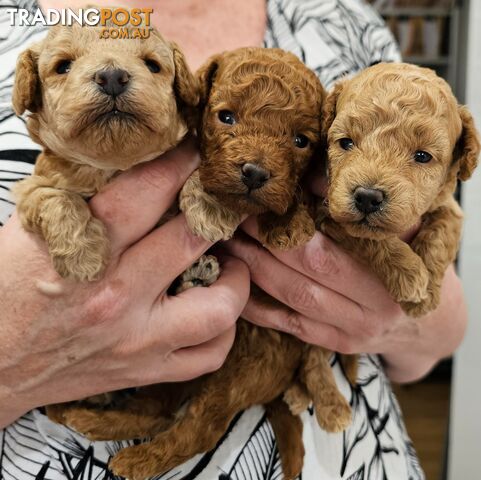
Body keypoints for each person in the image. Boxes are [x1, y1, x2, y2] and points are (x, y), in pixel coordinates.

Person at [0, 0, 466, 478]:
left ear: (182, 86)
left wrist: (404, 314)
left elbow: (436, 337)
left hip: (345, 452)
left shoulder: (340, 14)